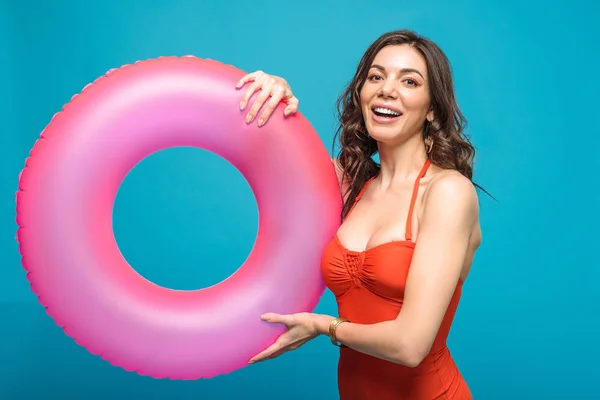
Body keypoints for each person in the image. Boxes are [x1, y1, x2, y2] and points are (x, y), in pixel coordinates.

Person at [237, 29, 481, 400]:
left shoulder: (447, 192)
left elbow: (410, 346)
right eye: (376, 76)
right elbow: (254, 159)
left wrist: (325, 326)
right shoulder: (349, 183)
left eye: (410, 81)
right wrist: (274, 95)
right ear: (362, 94)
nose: (387, 89)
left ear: (432, 108)